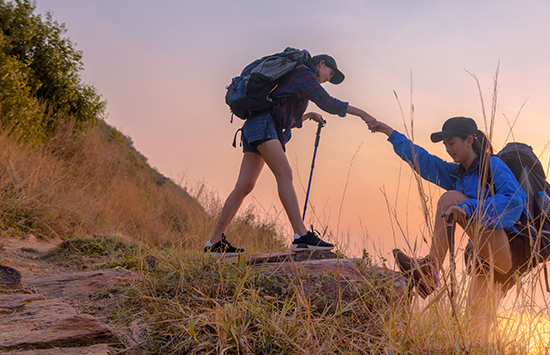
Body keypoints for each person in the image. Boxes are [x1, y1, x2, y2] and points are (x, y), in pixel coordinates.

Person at [368, 116, 528, 340]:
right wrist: (391, 134)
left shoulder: (492, 165)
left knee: (450, 198)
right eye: (445, 145)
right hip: (485, 258)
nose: (448, 149)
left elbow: (514, 202)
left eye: (451, 143)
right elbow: (424, 161)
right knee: (476, 319)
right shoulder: (457, 174)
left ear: (469, 140)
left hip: (509, 250)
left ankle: (430, 271)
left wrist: (469, 207)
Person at [205, 53, 376, 255]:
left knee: (244, 186)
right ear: (320, 64)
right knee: (284, 174)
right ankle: (301, 236)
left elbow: (285, 117)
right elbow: (328, 102)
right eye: (329, 73)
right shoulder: (304, 74)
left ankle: (214, 244)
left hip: (257, 126)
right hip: (263, 126)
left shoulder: (298, 83)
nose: (327, 79)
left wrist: (309, 115)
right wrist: (364, 114)